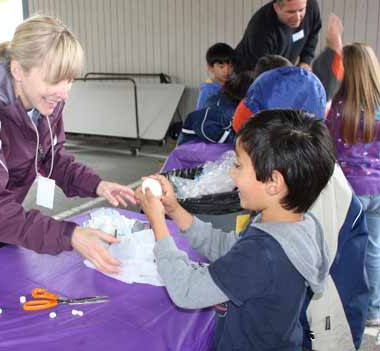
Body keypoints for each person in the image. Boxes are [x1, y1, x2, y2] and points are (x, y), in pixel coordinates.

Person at [0, 15, 135, 273]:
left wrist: (96, 184)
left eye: (70, 80)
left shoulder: (47, 104)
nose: (65, 93)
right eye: (54, 80)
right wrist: (70, 235)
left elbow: (52, 158)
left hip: (2, 220)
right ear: (18, 71)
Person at [137, 109, 336, 350]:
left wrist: (158, 224)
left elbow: (187, 290)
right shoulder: (296, 225)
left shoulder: (264, 253)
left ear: (273, 183)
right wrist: (175, 210)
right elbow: (228, 248)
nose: (232, 173)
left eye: (239, 166)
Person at [325, 42, 380, 327]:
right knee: (374, 249)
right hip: (378, 189)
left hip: (350, 191)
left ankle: (344, 307)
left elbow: (330, 148)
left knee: (346, 250)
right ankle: (374, 310)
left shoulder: (339, 107)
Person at [234, 0, 321, 73]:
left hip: (281, 68)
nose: (297, 18)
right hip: (248, 75)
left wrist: (305, 61)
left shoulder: (311, 7)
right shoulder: (261, 28)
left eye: (301, 10)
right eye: (291, 12)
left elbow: (313, 33)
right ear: (276, 8)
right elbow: (264, 75)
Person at [179, 71, 254, 145]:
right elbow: (204, 126)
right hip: (190, 148)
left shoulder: (221, 102)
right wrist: (236, 140)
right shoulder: (223, 108)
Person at [195, 42, 234, 110]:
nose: (227, 71)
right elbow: (199, 113)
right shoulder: (207, 90)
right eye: (221, 67)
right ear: (210, 68)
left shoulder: (234, 84)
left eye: (230, 66)